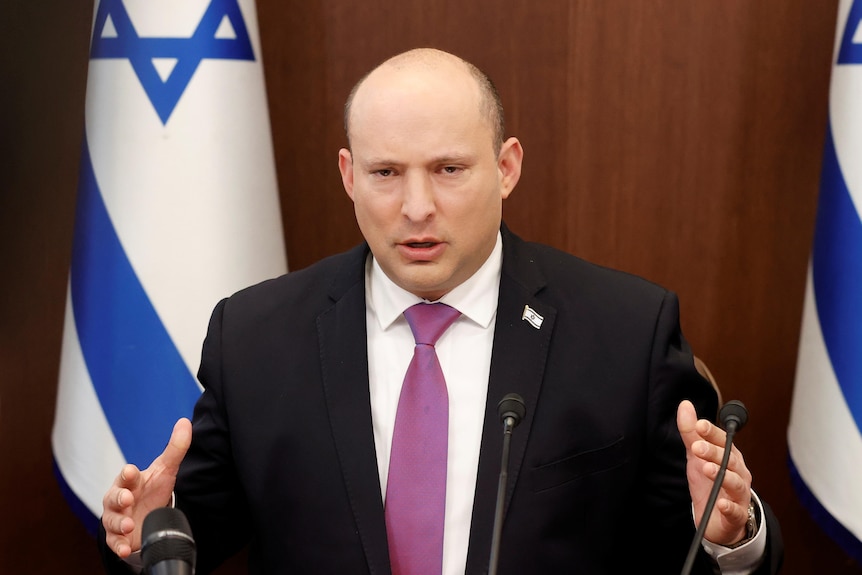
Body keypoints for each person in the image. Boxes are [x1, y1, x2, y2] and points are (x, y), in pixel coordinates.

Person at [100, 48, 783, 574]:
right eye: (386, 172)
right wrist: (152, 530)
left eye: (449, 169)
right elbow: (192, 535)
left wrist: (731, 534)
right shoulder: (256, 338)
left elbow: (691, 543)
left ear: (507, 166)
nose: (417, 207)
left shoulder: (625, 331)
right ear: (348, 174)